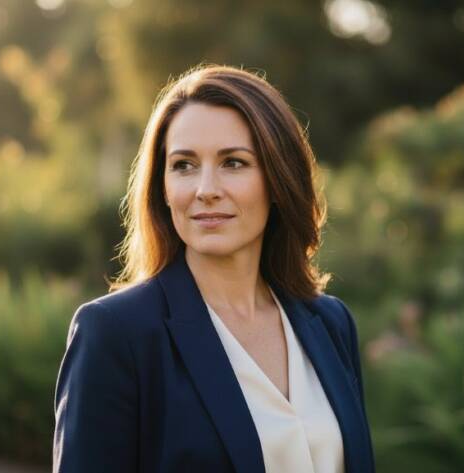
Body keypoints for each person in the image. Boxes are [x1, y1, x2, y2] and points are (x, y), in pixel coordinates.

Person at [53, 64, 375, 473]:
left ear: (278, 179)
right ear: (162, 188)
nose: (205, 190)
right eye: (184, 165)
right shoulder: (117, 333)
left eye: (233, 163)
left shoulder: (330, 322)